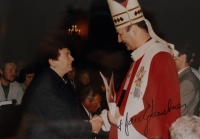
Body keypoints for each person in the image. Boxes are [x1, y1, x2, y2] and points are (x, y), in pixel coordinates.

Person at [106, 0, 181, 138]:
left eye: (120, 33)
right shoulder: (139, 57)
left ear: (134, 29)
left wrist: (121, 122)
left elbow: (159, 112)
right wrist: (104, 119)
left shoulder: (160, 57)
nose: (119, 39)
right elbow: (123, 101)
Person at [16, 31, 103, 139]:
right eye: (67, 55)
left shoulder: (60, 81)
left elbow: (69, 117)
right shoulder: (45, 86)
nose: (72, 58)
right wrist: (90, 126)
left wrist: (88, 122)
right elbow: (63, 127)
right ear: (52, 61)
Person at [174, 46, 200, 116]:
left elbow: (175, 113)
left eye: (173, 56)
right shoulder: (180, 76)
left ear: (183, 57)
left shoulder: (188, 82)